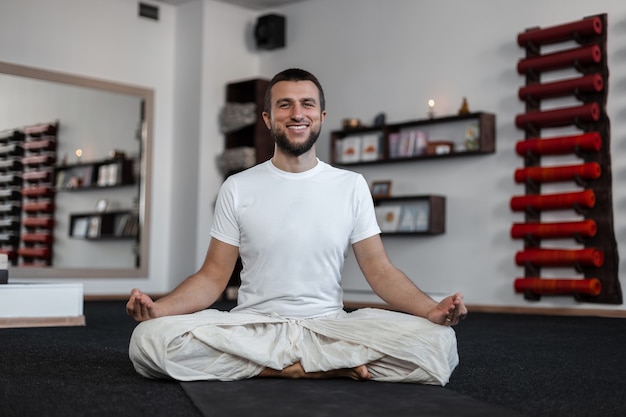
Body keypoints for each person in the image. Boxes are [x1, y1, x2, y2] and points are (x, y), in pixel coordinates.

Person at [127, 68, 467, 385]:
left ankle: (276, 366)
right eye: (284, 104)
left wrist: (431, 310)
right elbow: (213, 276)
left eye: (307, 104)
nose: (297, 113)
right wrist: (161, 309)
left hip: (330, 327)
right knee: (148, 340)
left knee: (439, 342)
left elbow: (380, 271)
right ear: (268, 118)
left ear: (321, 116)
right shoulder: (237, 186)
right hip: (254, 326)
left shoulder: (351, 185)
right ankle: (306, 368)